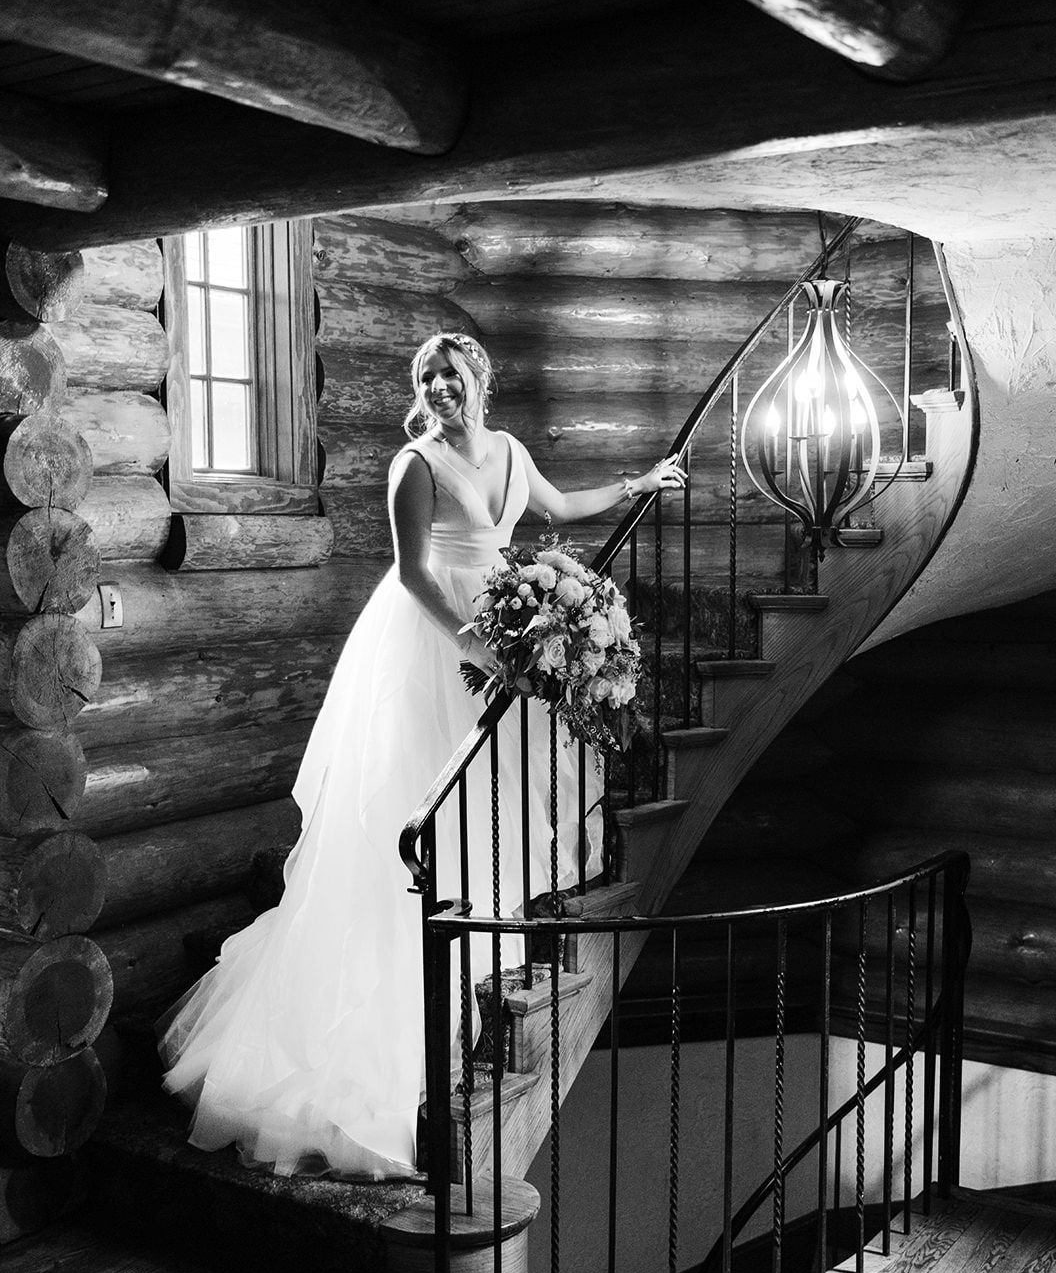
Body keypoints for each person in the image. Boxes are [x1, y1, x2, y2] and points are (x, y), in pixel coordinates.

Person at [158, 333, 685, 1181]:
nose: (440, 385)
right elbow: (412, 575)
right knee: (427, 801)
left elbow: (556, 503)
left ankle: (492, 942)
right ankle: (390, 1021)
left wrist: (638, 484)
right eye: (427, 375)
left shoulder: (509, 451)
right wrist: (484, 650)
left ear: (481, 377)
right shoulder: (415, 464)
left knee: (504, 801)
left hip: (507, 630)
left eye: (452, 372)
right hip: (438, 639)